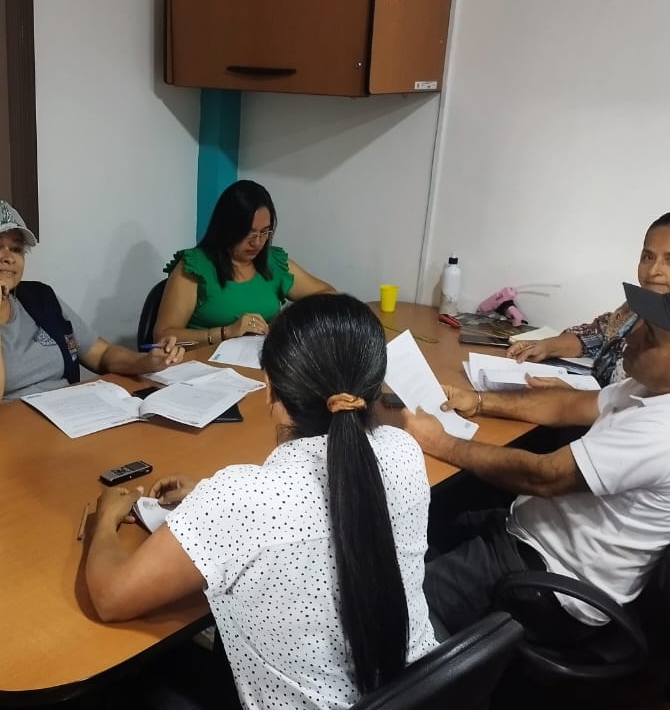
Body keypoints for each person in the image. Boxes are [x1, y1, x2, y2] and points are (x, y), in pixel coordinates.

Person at [84, 294, 438, 709]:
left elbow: (111, 598)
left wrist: (104, 520)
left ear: (270, 389)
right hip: (419, 694)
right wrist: (208, 500)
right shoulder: (403, 451)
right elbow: (323, 504)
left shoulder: (240, 499)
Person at [388, 282, 670, 639]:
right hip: (536, 531)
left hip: (554, 582)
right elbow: (570, 404)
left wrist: (440, 442)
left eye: (649, 338)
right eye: (642, 325)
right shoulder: (662, 387)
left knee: (391, 608)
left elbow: (543, 477)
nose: (631, 338)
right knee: (421, 522)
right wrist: (480, 401)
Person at [0, 199, 185, 426]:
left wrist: (145, 362)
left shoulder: (40, 297)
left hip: (66, 425)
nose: (8, 257)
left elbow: (101, 354)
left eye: (17, 249)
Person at [507, 209, 670, 393]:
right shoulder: (638, 308)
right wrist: (545, 346)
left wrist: (575, 396)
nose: (654, 270)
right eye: (648, 257)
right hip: (596, 420)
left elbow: (667, 417)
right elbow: (597, 334)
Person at [153, 180, 335, 346]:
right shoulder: (195, 266)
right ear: (226, 228)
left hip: (258, 363)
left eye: (265, 232)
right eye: (249, 233)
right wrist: (226, 332)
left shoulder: (275, 263)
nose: (257, 242)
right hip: (204, 366)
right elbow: (163, 336)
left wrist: (288, 321)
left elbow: (329, 296)